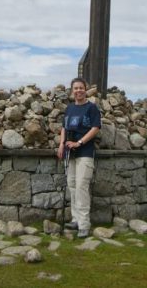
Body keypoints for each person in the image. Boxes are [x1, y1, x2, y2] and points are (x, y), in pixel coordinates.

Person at [57, 77, 101, 238]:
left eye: (81, 88)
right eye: (75, 88)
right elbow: (64, 127)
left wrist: (79, 142)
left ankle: (84, 224)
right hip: (70, 153)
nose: (78, 91)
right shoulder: (69, 108)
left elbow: (95, 128)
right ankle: (75, 219)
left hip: (85, 153)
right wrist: (62, 144)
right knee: (73, 185)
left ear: (86, 89)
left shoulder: (91, 108)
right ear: (72, 91)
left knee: (82, 186)